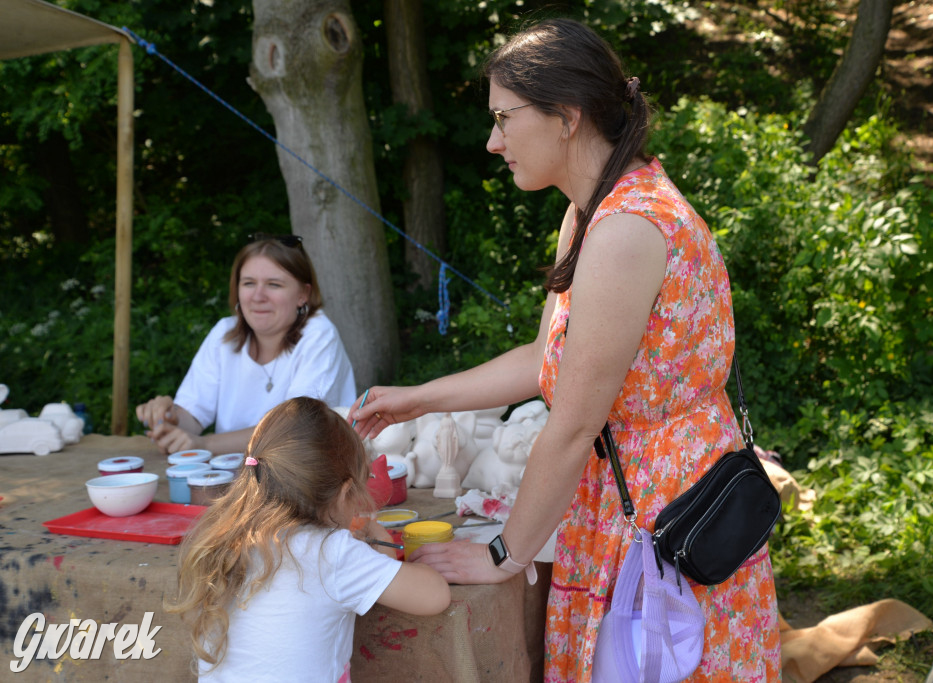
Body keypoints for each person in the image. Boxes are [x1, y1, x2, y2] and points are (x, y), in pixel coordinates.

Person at [349, 17, 780, 682]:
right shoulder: (590, 212)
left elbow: (575, 421)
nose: (493, 142)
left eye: (503, 118)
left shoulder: (627, 228)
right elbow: (544, 359)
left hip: (662, 515)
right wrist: (417, 398)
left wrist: (503, 554)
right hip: (629, 498)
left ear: (566, 117)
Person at [166, 397, 451, 681]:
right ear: (344, 493)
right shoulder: (333, 553)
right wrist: (373, 528)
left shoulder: (226, 538)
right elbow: (435, 595)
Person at [135, 234, 357, 455]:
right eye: (249, 283)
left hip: (305, 481)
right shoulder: (224, 333)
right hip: (235, 478)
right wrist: (168, 417)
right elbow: (192, 417)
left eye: (274, 284)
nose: (258, 296)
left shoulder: (319, 335)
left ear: (303, 295)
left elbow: (295, 428)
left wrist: (205, 445)